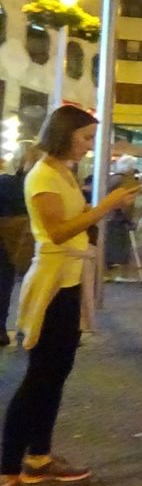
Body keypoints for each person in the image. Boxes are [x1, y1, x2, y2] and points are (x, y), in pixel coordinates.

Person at [0, 107, 138, 486]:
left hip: (70, 281)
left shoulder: (62, 171)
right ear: (64, 135)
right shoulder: (43, 175)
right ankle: (7, 477)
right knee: (38, 376)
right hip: (51, 283)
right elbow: (58, 230)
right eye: (84, 137)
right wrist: (107, 204)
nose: (89, 145)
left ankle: (39, 458)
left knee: (56, 371)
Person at [0, 142, 38, 346]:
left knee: (4, 282)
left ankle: (1, 328)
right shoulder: (39, 182)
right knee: (32, 283)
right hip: (34, 237)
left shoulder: (5, 182)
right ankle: (28, 328)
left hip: (6, 238)